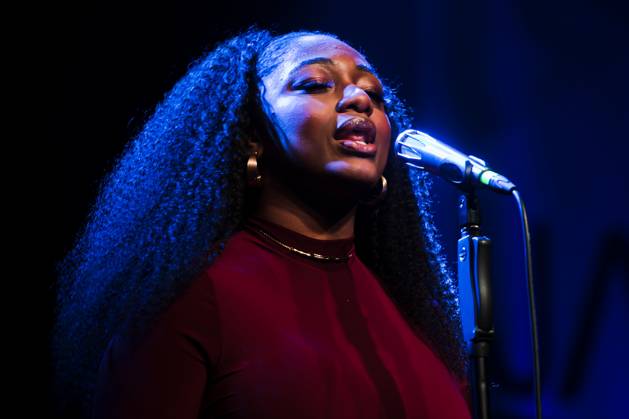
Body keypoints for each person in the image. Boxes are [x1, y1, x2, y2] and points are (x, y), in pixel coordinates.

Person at [53, 27, 471, 418]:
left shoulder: (413, 313)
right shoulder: (190, 297)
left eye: (373, 93)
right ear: (252, 135)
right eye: (315, 84)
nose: (359, 99)